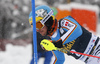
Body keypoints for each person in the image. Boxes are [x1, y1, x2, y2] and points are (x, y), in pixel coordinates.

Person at [29, 5, 100, 64]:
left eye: (38, 25)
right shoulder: (53, 39)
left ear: (47, 20)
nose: (37, 30)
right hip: (90, 60)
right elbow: (59, 59)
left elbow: (77, 30)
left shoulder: (64, 23)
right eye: (34, 27)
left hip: (97, 50)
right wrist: (55, 44)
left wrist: (58, 43)